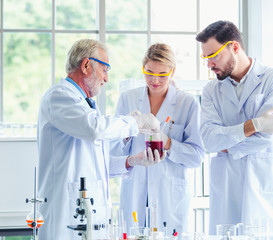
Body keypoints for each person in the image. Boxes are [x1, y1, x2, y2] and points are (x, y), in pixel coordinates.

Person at [37, 39, 162, 240]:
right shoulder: (59, 96)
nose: (106, 78)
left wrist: (132, 160)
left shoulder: (87, 106)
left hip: (89, 218)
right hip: (65, 217)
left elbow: (94, 164)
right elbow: (95, 128)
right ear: (86, 65)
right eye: (105, 69)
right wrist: (135, 122)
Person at [196, 20, 273, 234]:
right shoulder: (211, 90)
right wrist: (252, 125)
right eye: (206, 58)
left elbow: (268, 136)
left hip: (264, 185)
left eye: (213, 57)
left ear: (235, 47)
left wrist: (227, 144)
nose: (209, 65)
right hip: (227, 188)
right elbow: (209, 141)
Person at [111, 43, 205, 237]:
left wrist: (168, 142)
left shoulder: (187, 103)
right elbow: (113, 152)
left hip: (170, 196)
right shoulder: (128, 99)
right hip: (135, 190)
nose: (154, 79)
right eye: (149, 72)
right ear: (143, 67)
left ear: (173, 72)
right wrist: (127, 133)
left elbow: (197, 156)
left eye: (162, 74)